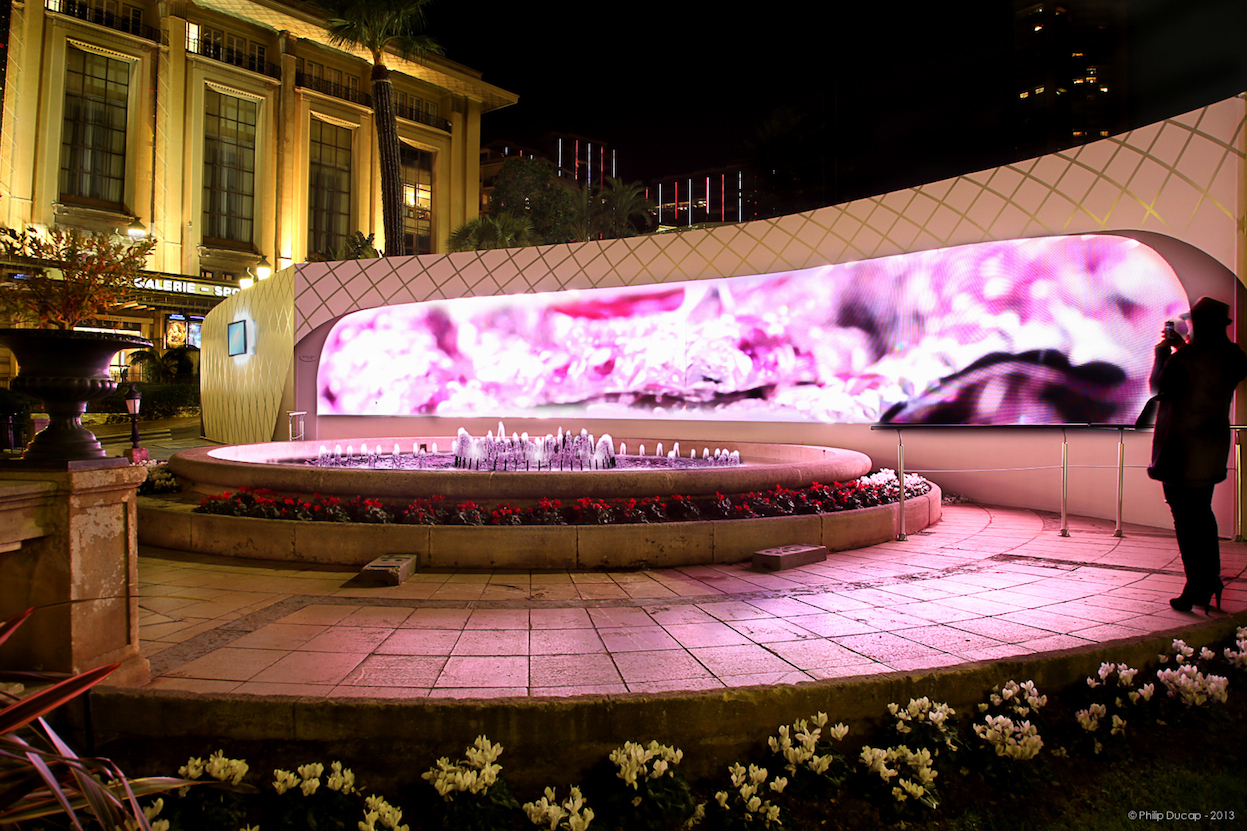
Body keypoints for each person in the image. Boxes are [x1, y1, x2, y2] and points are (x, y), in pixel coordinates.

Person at [1147, 296, 1247, 613]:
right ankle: (1209, 581)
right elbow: (1203, 376)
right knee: (1202, 515)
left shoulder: (1184, 359)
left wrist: (1163, 353)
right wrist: (1182, 348)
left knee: (1185, 520)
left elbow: (1158, 389)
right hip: (1210, 448)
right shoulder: (1234, 356)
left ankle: (1196, 585)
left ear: (1198, 325)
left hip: (1179, 450)